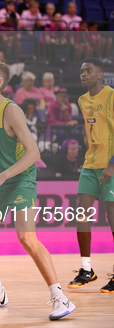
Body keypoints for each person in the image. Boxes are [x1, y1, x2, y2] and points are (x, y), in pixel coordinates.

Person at [0, 60, 76, 320]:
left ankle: (60, 298)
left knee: (26, 237)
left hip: (20, 178)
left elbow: (34, 153)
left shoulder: (11, 111)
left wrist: (3, 176)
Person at [68, 57, 114, 293]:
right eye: (81, 71)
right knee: (82, 214)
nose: (83, 74)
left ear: (100, 74)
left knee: (112, 217)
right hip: (90, 164)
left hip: (111, 165)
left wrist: (112, 163)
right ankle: (87, 269)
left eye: (88, 70)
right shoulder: (82, 100)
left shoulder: (112, 96)